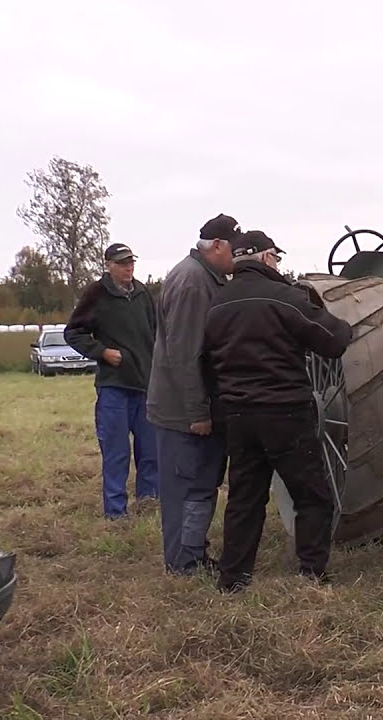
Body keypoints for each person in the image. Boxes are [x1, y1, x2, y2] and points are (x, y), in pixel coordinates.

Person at [203, 230, 352, 592]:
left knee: (244, 498)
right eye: (276, 257)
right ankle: (311, 574)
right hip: (285, 412)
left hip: (238, 415)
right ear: (266, 257)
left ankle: (233, 579)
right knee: (312, 496)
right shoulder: (284, 298)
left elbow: (205, 363)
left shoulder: (218, 304)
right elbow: (333, 341)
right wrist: (346, 323)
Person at [146, 214, 240, 575]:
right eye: (234, 246)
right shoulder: (192, 283)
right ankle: (183, 562)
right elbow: (185, 353)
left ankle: (193, 554)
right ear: (216, 245)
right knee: (186, 488)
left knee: (201, 484)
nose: (237, 254)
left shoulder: (206, 277)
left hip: (192, 408)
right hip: (182, 414)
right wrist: (197, 412)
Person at [64, 243, 159, 519]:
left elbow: (154, 332)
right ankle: (116, 513)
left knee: (150, 451)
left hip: (145, 386)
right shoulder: (96, 294)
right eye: (121, 263)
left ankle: (149, 502)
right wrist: (102, 352)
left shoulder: (143, 293)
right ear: (108, 265)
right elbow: (74, 333)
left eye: (131, 262)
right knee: (117, 454)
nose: (128, 268)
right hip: (114, 387)